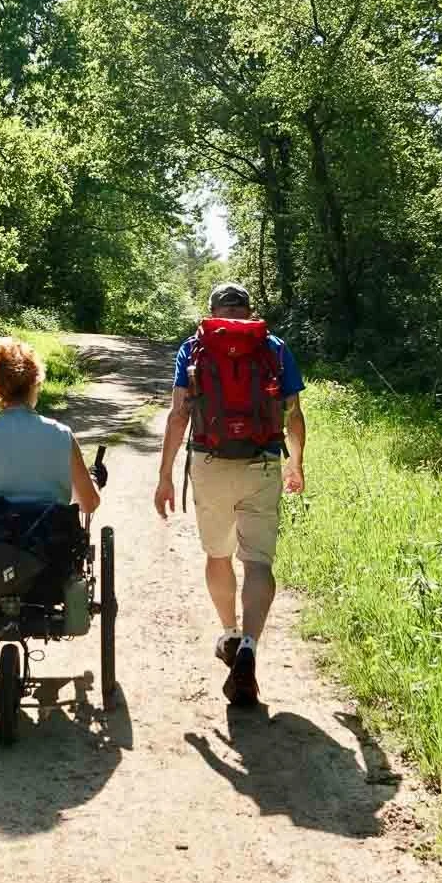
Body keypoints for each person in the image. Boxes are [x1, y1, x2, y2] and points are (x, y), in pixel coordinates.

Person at [154, 283, 306, 707]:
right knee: (258, 561)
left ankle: (230, 634)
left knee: (218, 555)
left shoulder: (195, 346)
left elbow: (179, 413)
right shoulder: (273, 347)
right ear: (249, 309)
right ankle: (251, 647)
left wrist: (165, 475)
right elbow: (293, 413)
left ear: (213, 311)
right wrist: (295, 463)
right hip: (261, 461)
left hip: (210, 462)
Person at [0, 336, 101, 514]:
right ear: (35, 383)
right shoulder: (61, 434)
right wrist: (94, 479)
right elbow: (89, 504)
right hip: (49, 538)